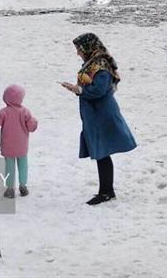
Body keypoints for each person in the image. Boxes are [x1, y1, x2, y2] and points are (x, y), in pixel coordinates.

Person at [60, 33, 137, 206]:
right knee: (101, 152)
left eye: (79, 49)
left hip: (102, 114)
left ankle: (106, 191)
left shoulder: (100, 66)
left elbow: (98, 90)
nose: (78, 53)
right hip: (96, 114)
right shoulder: (93, 63)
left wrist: (78, 90)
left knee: (103, 152)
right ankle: (106, 190)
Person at [0, 84, 38, 198]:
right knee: (23, 165)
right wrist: (34, 122)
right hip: (22, 145)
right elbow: (31, 127)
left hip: (8, 146)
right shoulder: (25, 112)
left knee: (9, 166)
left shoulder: (3, 112)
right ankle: (23, 186)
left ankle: (10, 189)